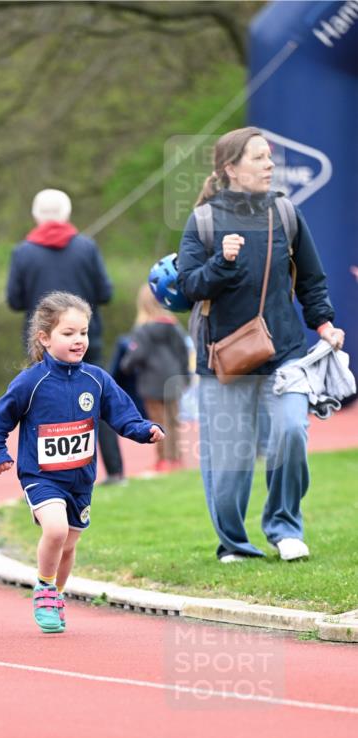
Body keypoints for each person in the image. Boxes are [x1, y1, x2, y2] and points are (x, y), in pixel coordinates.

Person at [177, 127, 344, 563]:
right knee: (229, 462)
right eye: (259, 158)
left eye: (270, 157)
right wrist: (223, 261)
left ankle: (285, 527)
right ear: (230, 168)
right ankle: (233, 543)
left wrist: (323, 324)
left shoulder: (286, 213)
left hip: (284, 351)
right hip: (223, 357)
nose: (270, 165)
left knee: (291, 432)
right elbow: (190, 286)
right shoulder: (204, 221)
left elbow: (310, 277)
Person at [0, 291, 164, 634]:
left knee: (68, 547)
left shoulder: (95, 379)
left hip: (80, 479)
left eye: (83, 332)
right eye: (68, 334)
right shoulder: (31, 382)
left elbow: (123, 413)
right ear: (45, 338)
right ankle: (44, 589)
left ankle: (57, 594)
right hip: (41, 476)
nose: (78, 340)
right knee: (56, 530)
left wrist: (146, 430)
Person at [6, 188, 124, 483]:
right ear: (67, 214)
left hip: (43, 345)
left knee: (38, 406)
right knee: (100, 399)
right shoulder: (87, 248)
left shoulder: (23, 253)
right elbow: (106, 293)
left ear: (36, 216)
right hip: (87, 342)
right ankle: (117, 472)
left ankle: (40, 477)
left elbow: (14, 300)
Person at [119, 284, 191, 472]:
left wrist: (125, 365)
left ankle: (164, 460)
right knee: (173, 421)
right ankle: (176, 458)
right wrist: (186, 377)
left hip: (151, 382)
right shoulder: (173, 326)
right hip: (173, 380)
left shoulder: (143, 330)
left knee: (158, 423)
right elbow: (183, 352)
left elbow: (137, 354)